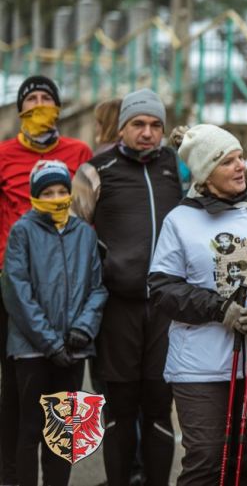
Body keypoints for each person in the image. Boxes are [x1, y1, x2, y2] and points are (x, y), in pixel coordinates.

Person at [148, 124, 247, 485]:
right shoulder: (181, 220)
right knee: (206, 462)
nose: (239, 167)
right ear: (204, 174)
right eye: (226, 162)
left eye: (238, 158)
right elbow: (162, 286)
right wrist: (220, 309)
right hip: (202, 367)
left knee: (246, 463)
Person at [71, 88, 181, 486]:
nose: (148, 132)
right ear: (123, 127)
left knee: (157, 409)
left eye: (155, 125)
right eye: (138, 124)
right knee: (118, 410)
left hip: (166, 309)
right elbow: (73, 238)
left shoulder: (176, 167)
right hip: (117, 307)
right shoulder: (94, 170)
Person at [0, 75, 93, 484]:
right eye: (31, 99)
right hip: (15, 286)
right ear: (20, 109)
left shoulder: (79, 152)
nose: (39, 105)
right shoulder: (3, 154)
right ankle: (11, 474)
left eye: (47, 98)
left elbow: (89, 216)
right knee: (17, 393)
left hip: (70, 290)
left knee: (66, 402)